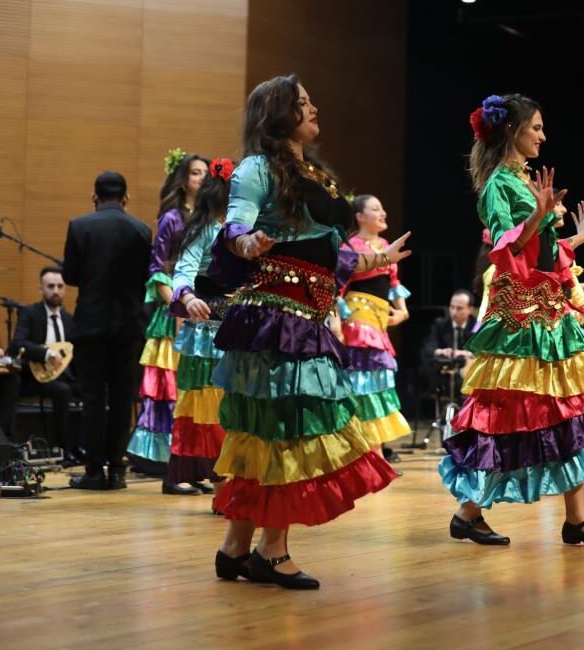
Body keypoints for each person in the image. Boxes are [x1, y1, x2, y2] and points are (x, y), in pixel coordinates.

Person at [208, 74, 409, 589]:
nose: (314, 107)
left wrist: (377, 259)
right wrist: (245, 241)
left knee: (270, 429)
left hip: (304, 316)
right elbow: (235, 224)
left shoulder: (315, 171)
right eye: (302, 103)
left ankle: (236, 547)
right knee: (284, 429)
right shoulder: (258, 168)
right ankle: (270, 552)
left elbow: (329, 248)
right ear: (278, 114)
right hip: (277, 317)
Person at [440, 93, 584, 548]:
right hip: (519, 316)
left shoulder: (524, 180)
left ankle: (576, 518)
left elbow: (542, 251)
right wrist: (540, 214)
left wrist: (574, 236)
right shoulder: (500, 183)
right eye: (535, 127)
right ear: (512, 131)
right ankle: (469, 512)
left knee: (566, 406)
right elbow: (504, 246)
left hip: (548, 310)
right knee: (514, 414)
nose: (542, 134)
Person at [63, 171, 152, 490]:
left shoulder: (79, 226)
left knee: (92, 400)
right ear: (126, 198)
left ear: (94, 197)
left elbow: (71, 276)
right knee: (122, 398)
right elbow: (147, 279)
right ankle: (117, 470)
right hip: (129, 326)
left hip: (90, 326)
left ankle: (93, 471)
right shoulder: (142, 230)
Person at [127, 151, 209, 494]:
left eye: (205, 173)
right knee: (172, 392)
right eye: (194, 173)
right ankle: (171, 471)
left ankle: (194, 467)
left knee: (196, 394)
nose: (201, 179)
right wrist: (178, 306)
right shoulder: (172, 218)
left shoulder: (209, 219)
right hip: (176, 310)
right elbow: (157, 270)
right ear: (182, 179)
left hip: (202, 313)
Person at [167, 158, 236, 500]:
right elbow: (183, 270)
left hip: (242, 326)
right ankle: (222, 486)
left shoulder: (246, 226)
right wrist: (189, 295)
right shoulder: (206, 227)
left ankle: (241, 483)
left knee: (242, 406)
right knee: (213, 411)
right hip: (208, 331)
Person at [338, 195, 412, 453]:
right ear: (360, 216)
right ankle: (367, 451)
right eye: (376, 209)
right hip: (358, 323)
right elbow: (339, 288)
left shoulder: (384, 245)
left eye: (383, 208)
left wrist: (402, 311)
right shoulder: (351, 246)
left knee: (377, 383)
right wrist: (338, 324)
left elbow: (393, 284)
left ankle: (373, 449)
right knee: (362, 382)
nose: (383, 214)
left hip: (379, 324)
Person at [9, 267, 81, 461]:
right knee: (62, 391)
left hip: (66, 376)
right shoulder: (30, 313)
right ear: (41, 289)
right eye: (50, 286)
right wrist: (47, 353)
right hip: (36, 378)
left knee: (96, 390)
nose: (56, 291)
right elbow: (18, 343)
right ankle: (62, 449)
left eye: (60, 286)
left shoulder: (70, 319)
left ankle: (87, 449)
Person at [420, 289, 476, 396]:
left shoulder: (477, 327)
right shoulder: (440, 324)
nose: (454, 312)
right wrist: (440, 351)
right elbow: (428, 347)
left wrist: (465, 353)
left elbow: (483, 350)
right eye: (452, 307)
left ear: (470, 309)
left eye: (459, 308)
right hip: (444, 374)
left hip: (468, 375)